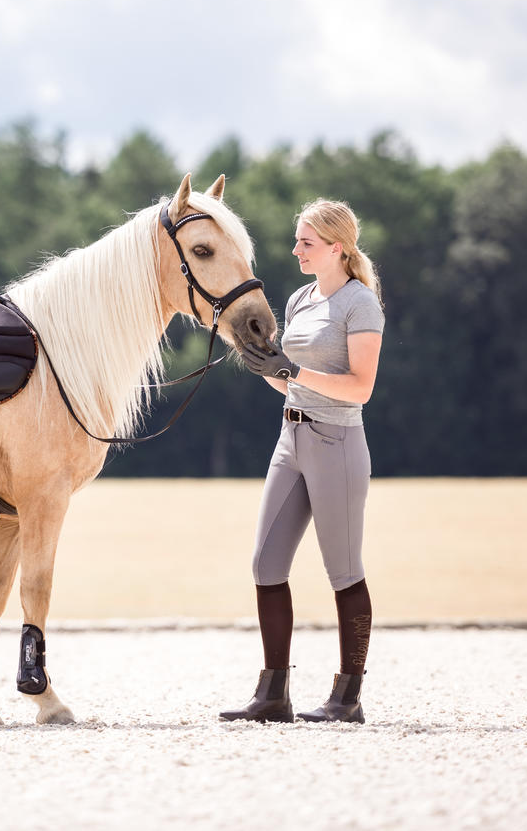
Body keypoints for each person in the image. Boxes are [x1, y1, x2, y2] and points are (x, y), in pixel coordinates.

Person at [220, 198, 384, 725]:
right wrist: (261, 365)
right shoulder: (299, 299)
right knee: (266, 565)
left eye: (306, 243)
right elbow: (286, 380)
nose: (296, 250)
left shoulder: (360, 304)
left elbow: (361, 389)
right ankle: (273, 694)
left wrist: (293, 371)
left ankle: (348, 696)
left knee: (344, 572)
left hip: (337, 443)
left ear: (337, 248)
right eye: (297, 241)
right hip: (290, 441)